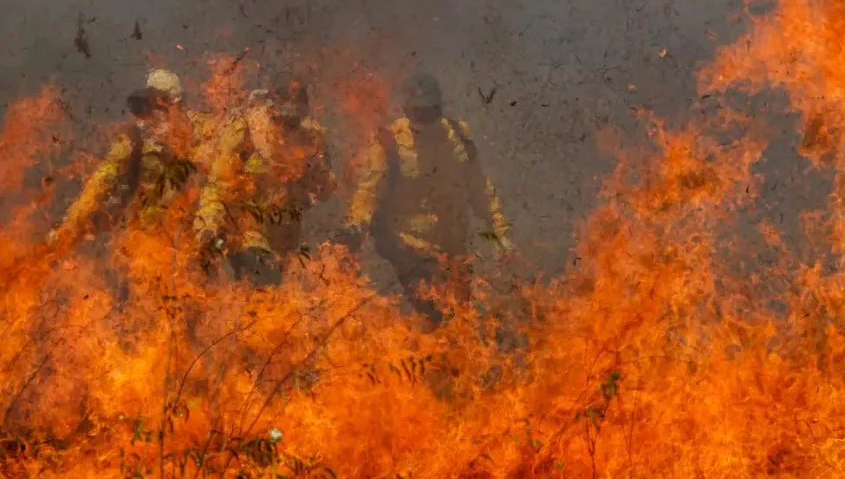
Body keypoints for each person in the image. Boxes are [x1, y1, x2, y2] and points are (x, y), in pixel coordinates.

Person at [339, 72, 514, 328]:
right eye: (418, 110)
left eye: (430, 110)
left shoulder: (457, 136)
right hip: (409, 252)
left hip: (454, 256)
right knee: (431, 322)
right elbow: (368, 191)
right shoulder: (390, 142)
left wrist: (500, 231)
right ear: (407, 109)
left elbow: (480, 189)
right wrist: (357, 223)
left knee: (457, 329)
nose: (424, 116)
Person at [193, 74, 337, 286]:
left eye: (294, 121)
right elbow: (218, 186)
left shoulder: (311, 138)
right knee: (261, 278)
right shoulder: (247, 132)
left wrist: (317, 170)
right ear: (272, 109)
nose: (288, 128)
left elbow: (324, 193)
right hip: (247, 231)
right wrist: (208, 225)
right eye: (284, 120)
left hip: (285, 239)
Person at [49, 69, 215, 245]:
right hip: (147, 237)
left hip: (190, 233)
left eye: (165, 103)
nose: (158, 112)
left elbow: (215, 182)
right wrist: (71, 223)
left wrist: (208, 227)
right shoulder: (135, 138)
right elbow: (101, 180)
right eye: (153, 105)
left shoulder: (200, 131)